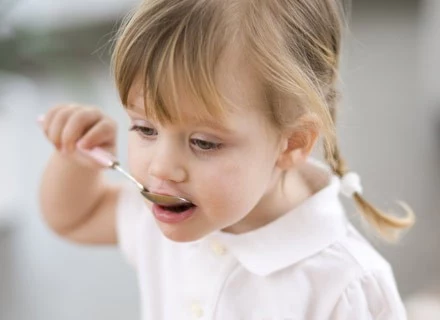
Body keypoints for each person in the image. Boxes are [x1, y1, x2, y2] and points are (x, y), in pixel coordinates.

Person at [38, 0, 415, 319]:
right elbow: (75, 218)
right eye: (145, 129)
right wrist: (73, 158)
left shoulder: (345, 286)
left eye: (203, 142)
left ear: (291, 144)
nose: (161, 167)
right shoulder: (163, 213)